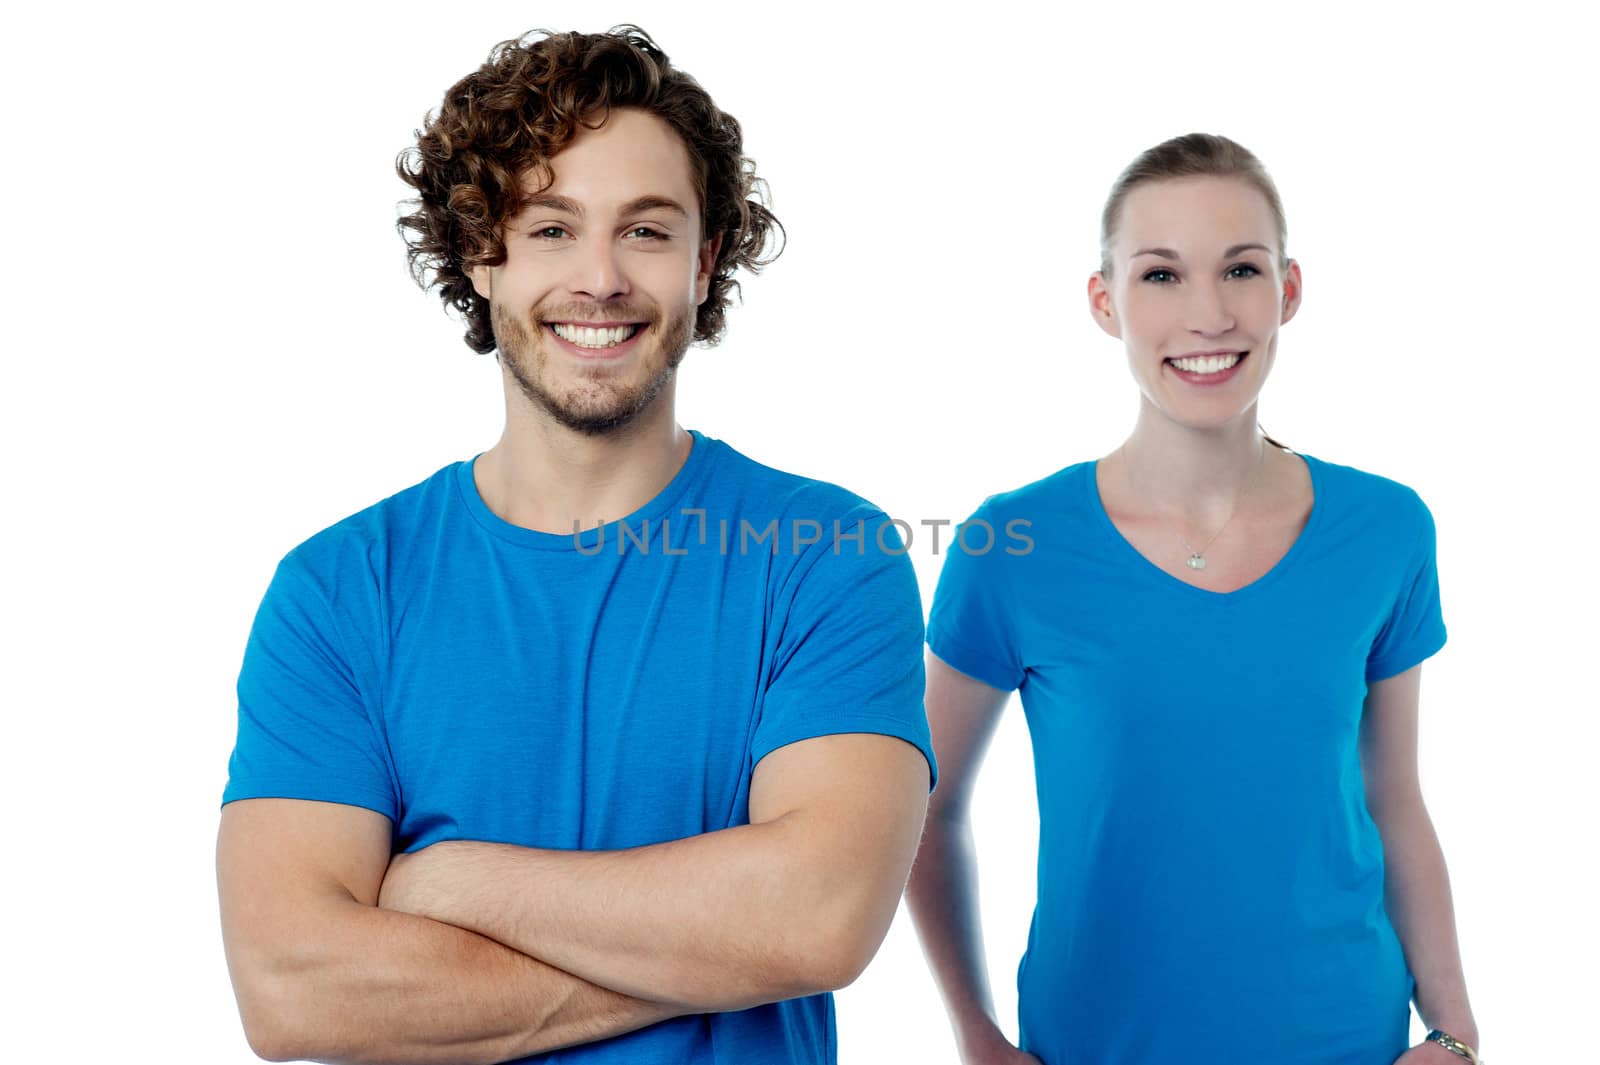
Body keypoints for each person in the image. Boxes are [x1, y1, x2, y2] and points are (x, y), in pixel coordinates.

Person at [216, 26, 934, 1065]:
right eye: (550, 229)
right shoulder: (339, 591)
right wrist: (716, 949)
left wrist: (452, 881)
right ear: (479, 254)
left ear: (707, 259)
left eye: (646, 230)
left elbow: (818, 918)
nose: (599, 279)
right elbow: (294, 994)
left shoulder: (826, 556)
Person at [905, 134, 1480, 1065]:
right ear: (1106, 302)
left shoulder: (1388, 530)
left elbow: (1394, 796)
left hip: (1347, 1042)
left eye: (1241, 269)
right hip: (1094, 1046)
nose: (1208, 314)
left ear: (1288, 289)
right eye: (1162, 275)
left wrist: (1452, 1032)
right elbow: (923, 803)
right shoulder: (1010, 548)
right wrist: (975, 1034)